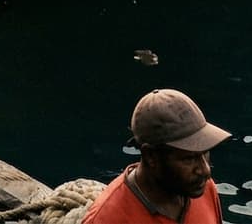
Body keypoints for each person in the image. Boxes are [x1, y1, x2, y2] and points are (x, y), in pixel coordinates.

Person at [78, 89, 228, 224]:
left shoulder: (205, 189)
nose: (205, 170)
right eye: (188, 159)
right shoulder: (108, 218)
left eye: (205, 153)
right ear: (151, 156)